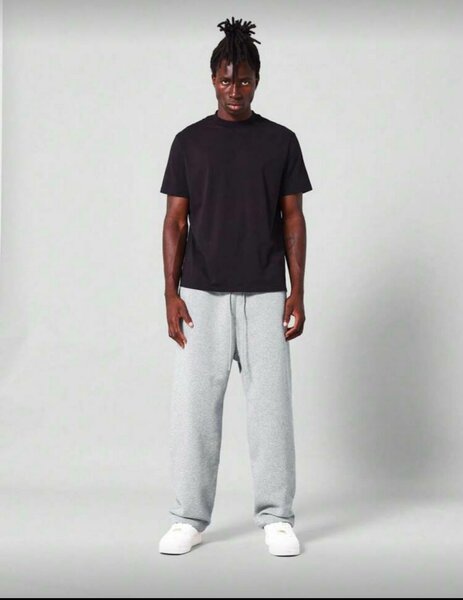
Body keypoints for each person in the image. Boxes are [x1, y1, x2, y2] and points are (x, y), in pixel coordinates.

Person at [158, 17, 313, 557]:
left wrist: (297, 291)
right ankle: (187, 517)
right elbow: (175, 221)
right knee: (194, 411)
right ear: (212, 79)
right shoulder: (189, 142)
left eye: (244, 80)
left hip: (265, 292)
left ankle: (277, 517)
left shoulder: (281, 142)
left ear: (257, 80)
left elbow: (293, 218)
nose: (235, 89)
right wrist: (170, 294)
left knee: (271, 410)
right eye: (226, 79)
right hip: (201, 294)